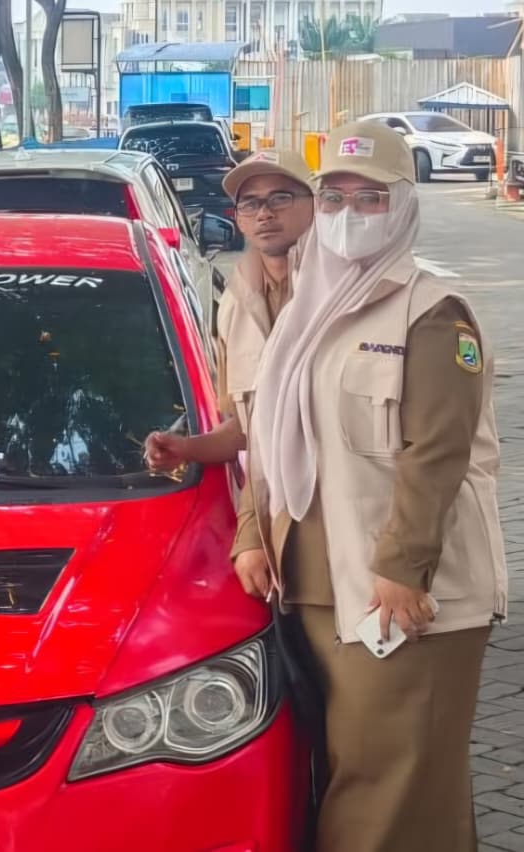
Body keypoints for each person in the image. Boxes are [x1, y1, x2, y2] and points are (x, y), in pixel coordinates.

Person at [233, 121, 507, 852]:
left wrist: (402, 568)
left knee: (383, 788)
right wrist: (252, 532)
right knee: (401, 782)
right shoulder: (308, 311)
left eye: (370, 198)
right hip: (315, 585)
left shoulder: (433, 312)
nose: (347, 214)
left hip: (403, 594)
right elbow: (267, 434)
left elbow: (436, 454)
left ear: (404, 205)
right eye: (334, 198)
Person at [145, 149, 315, 471]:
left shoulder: (348, 297)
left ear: (315, 205)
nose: (264, 214)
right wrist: (185, 448)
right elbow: (243, 429)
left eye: (280, 198)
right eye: (250, 203)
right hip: (265, 495)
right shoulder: (234, 307)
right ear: (238, 219)